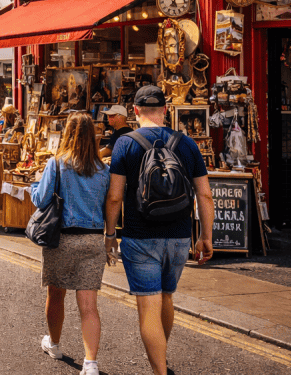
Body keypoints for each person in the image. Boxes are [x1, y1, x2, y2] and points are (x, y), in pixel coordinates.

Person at [105, 86, 214, 375]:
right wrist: (205, 236)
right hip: (179, 236)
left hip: (139, 236)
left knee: (148, 305)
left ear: (135, 111)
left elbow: (115, 196)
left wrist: (110, 234)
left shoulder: (125, 144)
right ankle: (161, 361)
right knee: (166, 296)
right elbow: (204, 195)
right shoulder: (187, 144)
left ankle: (160, 371)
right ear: (165, 110)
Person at [31, 113, 111, 375]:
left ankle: (54, 345)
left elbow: (41, 200)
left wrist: (35, 184)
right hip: (93, 240)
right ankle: (90, 364)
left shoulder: (57, 164)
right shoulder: (104, 170)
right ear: (93, 136)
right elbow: (109, 203)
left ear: (67, 134)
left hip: (61, 239)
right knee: (88, 306)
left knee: (56, 295)